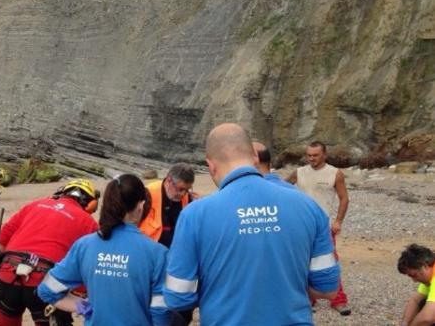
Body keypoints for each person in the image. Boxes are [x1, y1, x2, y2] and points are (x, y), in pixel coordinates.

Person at [164, 123, 340, 325]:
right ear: (255, 158)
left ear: (210, 165)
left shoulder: (194, 215)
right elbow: (328, 289)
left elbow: (177, 297)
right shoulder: (308, 206)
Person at [37, 174, 171, 325]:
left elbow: (47, 290)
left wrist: (83, 306)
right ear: (141, 206)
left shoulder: (84, 245)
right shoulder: (157, 253)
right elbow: (161, 310)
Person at [0, 179, 99, 326]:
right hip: (45, 279)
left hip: (9, 272)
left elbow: (0, 241)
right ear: (90, 203)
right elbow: (88, 265)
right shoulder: (88, 222)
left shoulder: (34, 205)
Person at [287, 141, 352, 315]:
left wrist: (338, 221)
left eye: (315, 155)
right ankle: (308, 299)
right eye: (309, 155)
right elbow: (281, 189)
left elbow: (344, 198)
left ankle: (338, 300)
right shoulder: (298, 173)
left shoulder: (335, 174)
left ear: (324, 155)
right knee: (301, 262)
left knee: (329, 263)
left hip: (323, 227)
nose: (312, 158)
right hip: (300, 226)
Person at [137, 163, 197, 325]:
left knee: (182, 309)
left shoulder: (189, 199)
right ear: (168, 181)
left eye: (186, 189)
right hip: (148, 261)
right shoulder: (146, 195)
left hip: (176, 262)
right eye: (180, 189)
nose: (182, 193)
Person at [397, 244, 435, 326]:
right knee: (423, 303)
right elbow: (415, 300)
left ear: (424, 266)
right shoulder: (431, 273)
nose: (414, 280)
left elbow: (427, 318)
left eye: (414, 275)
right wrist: (404, 323)